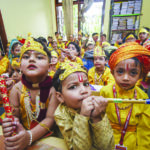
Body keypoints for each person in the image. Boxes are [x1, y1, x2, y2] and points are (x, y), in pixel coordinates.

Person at [2, 37, 60, 150]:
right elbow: (14, 116)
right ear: (20, 66)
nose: (31, 60)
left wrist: (29, 137)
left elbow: (50, 119)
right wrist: (11, 125)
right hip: (22, 134)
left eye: (39, 57)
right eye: (26, 57)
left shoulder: (53, 89)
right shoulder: (17, 89)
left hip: (48, 137)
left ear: (49, 67)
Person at [53, 61, 114, 150]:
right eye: (73, 87)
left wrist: (96, 117)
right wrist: (83, 116)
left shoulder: (97, 106)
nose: (84, 90)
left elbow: (107, 147)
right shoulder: (61, 114)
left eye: (86, 84)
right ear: (60, 97)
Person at [100, 42, 150, 150]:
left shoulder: (143, 97)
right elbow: (98, 121)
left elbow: (144, 130)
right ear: (112, 73)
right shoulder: (105, 92)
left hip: (132, 144)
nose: (126, 78)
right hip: (106, 142)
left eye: (133, 73)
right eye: (120, 72)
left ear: (141, 75)